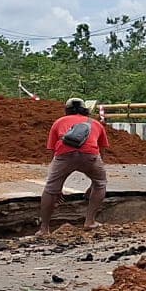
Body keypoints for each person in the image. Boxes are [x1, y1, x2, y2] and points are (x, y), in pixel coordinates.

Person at [38, 97, 109, 236]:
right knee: (101, 183)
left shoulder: (58, 122)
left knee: (50, 189)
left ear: (67, 110)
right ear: (85, 110)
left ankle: (44, 229)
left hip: (64, 155)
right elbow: (102, 151)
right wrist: (94, 181)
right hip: (90, 155)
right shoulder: (95, 124)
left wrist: (56, 186)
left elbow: (52, 151)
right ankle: (90, 222)